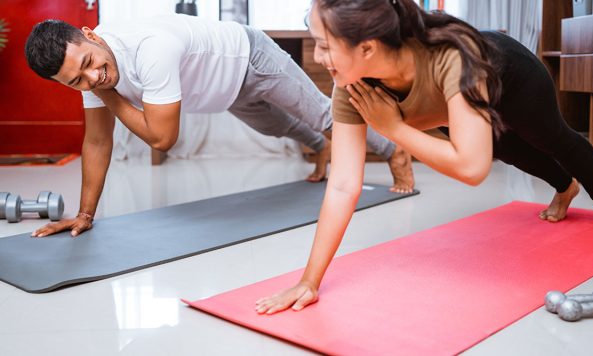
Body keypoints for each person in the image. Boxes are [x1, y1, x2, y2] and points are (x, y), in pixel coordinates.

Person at [254, 0, 593, 315]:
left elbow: (471, 169)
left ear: (367, 48)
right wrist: (310, 281)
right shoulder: (350, 85)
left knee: (551, 138)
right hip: (454, 108)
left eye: (324, 45)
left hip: (513, 78)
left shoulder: (453, 57)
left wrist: (393, 127)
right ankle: (565, 187)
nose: (318, 58)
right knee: (510, 151)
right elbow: (342, 185)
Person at [24, 14, 414, 237]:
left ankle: (394, 150)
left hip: (251, 58)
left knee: (323, 115)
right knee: (278, 128)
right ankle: (321, 148)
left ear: (90, 36)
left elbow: (162, 138)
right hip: (227, 93)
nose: (92, 79)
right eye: (77, 80)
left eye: (90, 63)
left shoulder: (148, 49)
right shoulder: (90, 73)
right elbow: (96, 142)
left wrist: (110, 96)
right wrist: (84, 214)